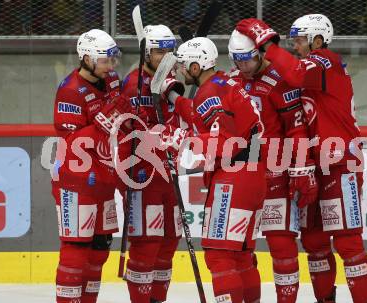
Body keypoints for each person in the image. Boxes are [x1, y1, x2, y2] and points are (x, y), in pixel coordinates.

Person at [236, 15, 367, 303]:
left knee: (348, 244)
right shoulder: (304, 70)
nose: (295, 46)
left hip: (340, 164)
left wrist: (268, 43)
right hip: (315, 165)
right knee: (314, 243)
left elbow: (296, 71)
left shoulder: (326, 60)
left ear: (318, 40)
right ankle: (326, 299)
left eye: (299, 41)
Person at [165, 36, 266, 303]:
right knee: (240, 256)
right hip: (252, 174)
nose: (181, 71)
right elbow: (201, 116)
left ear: (196, 67)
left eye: (184, 66)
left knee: (219, 255)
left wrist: (184, 140)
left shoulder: (210, 93)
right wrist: (174, 96)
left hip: (234, 176)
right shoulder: (222, 83)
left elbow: (226, 143)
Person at [227, 29, 317, 303]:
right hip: (245, 173)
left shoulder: (280, 81)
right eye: (237, 60)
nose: (244, 66)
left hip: (277, 169)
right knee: (239, 247)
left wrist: (302, 167)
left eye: (248, 60)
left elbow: (296, 128)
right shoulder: (231, 81)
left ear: (260, 54)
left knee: (281, 244)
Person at [52, 29, 131, 303]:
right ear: (86, 58)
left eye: (113, 60)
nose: (111, 67)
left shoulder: (110, 80)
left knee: (99, 249)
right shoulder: (70, 91)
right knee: (76, 250)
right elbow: (71, 143)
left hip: (104, 178)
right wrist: (104, 120)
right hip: (76, 180)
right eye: (105, 60)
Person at [121, 24, 191, 303]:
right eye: (160, 52)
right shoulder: (132, 82)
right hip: (142, 175)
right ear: (148, 53)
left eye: (169, 52)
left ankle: (156, 299)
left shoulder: (172, 79)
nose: (166, 57)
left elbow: (180, 117)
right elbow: (128, 127)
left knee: (170, 239)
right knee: (146, 243)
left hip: (168, 171)